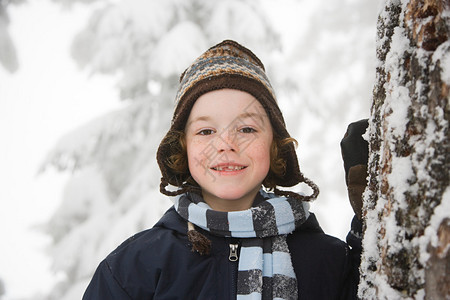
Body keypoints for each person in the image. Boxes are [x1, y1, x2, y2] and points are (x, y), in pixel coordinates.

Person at [83, 40, 367, 300]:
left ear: (274, 146)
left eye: (246, 129)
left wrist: (371, 221)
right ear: (183, 148)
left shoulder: (328, 261)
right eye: (206, 131)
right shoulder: (135, 267)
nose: (226, 144)